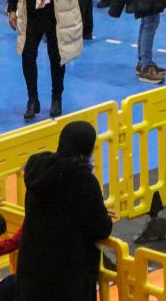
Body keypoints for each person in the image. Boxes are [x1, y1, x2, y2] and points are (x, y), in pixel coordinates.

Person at [16, 121, 115, 301]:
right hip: (67, 274)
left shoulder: (38, 168)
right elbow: (100, 229)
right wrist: (101, 214)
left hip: (33, 265)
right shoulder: (83, 180)